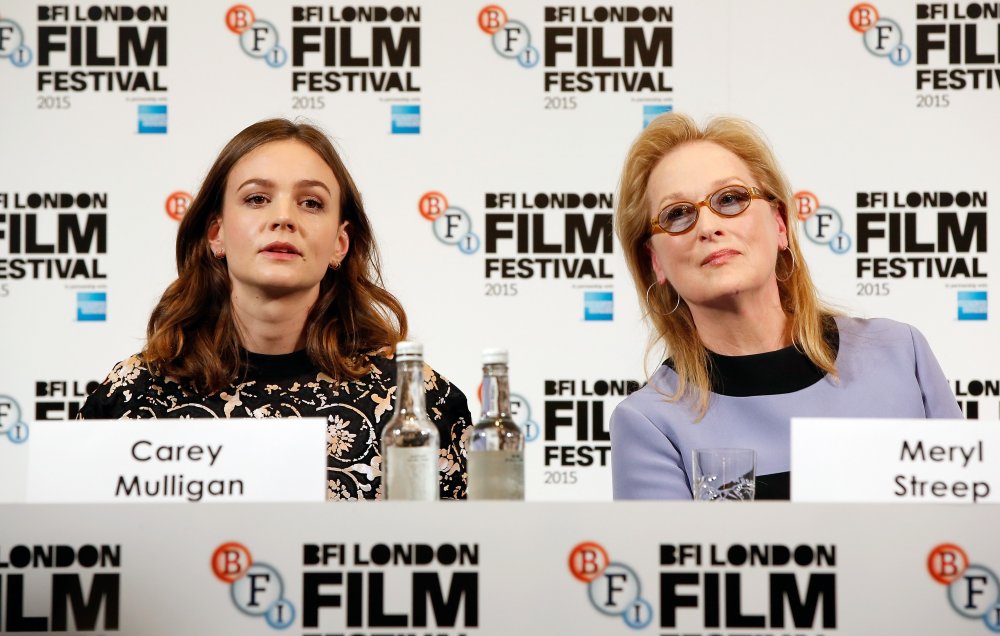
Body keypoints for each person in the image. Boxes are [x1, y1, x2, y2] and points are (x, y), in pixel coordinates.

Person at [80, 118, 471, 501]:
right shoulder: (134, 396)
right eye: (256, 199)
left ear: (340, 243)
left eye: (311, 203)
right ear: (216, 233)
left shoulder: (414, 400)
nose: (284, 218)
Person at [610, 113, 961, 500]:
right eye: (677, 214)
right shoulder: (649, 424)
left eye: (730, 199)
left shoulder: (900, 353)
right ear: (655, 261)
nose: (708, 227)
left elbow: (971, 535)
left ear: (779, 224)